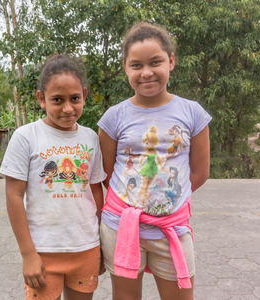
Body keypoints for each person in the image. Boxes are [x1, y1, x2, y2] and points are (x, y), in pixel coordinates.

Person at [98, 22, 212, 300]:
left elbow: (200, 172)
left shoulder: (193, 113)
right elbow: (107, 172)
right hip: (120, 226)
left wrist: (167, 200)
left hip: (172, 227)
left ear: (171, 62)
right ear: (125, 67)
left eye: (156, 62)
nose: (146, 72)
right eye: (136, 65)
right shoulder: (113, 117)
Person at [0, 54, 106, 300]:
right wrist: (28, 254)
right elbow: (14, 196)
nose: (67, 108)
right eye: (57, 100)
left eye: (75, 99)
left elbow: (96, 191)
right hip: (43, 252)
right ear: (41, 99)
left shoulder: (90, 138)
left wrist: (102, 244)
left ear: (85, 95)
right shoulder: (26, 137)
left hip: (86, 248)